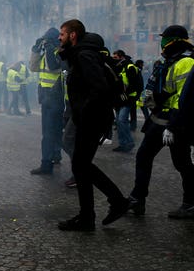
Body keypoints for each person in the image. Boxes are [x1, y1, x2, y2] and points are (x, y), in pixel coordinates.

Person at [57, 19, 129, 231]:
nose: (59, 38)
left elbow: (99, 88)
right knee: (81, 166)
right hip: (90, 118)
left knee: (81, 165)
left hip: (91, 119)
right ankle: (89, 216)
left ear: (73, 35)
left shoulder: (84, 55)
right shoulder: (81, 53)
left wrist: (84, 113)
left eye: (62, 34)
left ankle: (114, 202)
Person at [127, 25, 194, 219]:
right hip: (160, 119)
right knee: (143, 156)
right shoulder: (168, 61)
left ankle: (190, 203)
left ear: (174, 40)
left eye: (165, 39)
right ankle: (137, 199)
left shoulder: (186, 62)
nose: (162, 43)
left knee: (182, 163)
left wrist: (173, 127)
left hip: (176, 122)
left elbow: (185, 98)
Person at [29, 28, 65, 175]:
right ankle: (55, 155)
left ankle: (46, 164)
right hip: (47, 97)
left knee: (48, 132)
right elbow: (33, 67)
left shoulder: (59, 53)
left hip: (54, 97)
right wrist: (35, 50)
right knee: (55, 131)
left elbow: (53, 66)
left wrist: (49, 47)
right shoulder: (47, 54)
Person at [111, 49, 141, 153]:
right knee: (119, 122)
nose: (113, 59)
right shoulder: (118, 67)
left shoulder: (129, 67)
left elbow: (135, 84)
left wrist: (127, 94)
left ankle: (129, 142)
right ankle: (122, 144)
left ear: (121, 57)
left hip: (128, 99)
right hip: (120, 100)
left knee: (122, 120)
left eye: (115, 57)